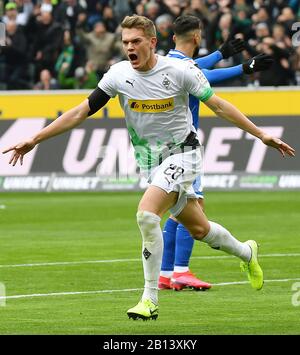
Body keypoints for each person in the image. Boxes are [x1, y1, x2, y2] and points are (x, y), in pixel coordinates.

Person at [2, 15, 295, 321]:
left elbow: (218, 105)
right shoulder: (117, 75)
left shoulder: (180, 71)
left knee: (146, 214)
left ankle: (149, 299)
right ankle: (247, 252)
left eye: (136, 41)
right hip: (151, 162)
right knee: (199, 229)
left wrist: (261, 134)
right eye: (125, 42)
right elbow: (80, 112)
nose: (130, 47)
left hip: (184, 154)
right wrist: (35, 138)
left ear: (152, 42)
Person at [159, 15, 274, 292]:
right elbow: (202, 76)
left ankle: (166, 273)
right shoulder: (186, 68)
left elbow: (195, 67)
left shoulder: (164, 61)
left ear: (174, 37)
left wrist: (220, 54)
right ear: (197, 37)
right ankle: (182, 271)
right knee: (193, 209)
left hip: (160, 147)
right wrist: (243, 68)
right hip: (184, 147)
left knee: (175, 211)